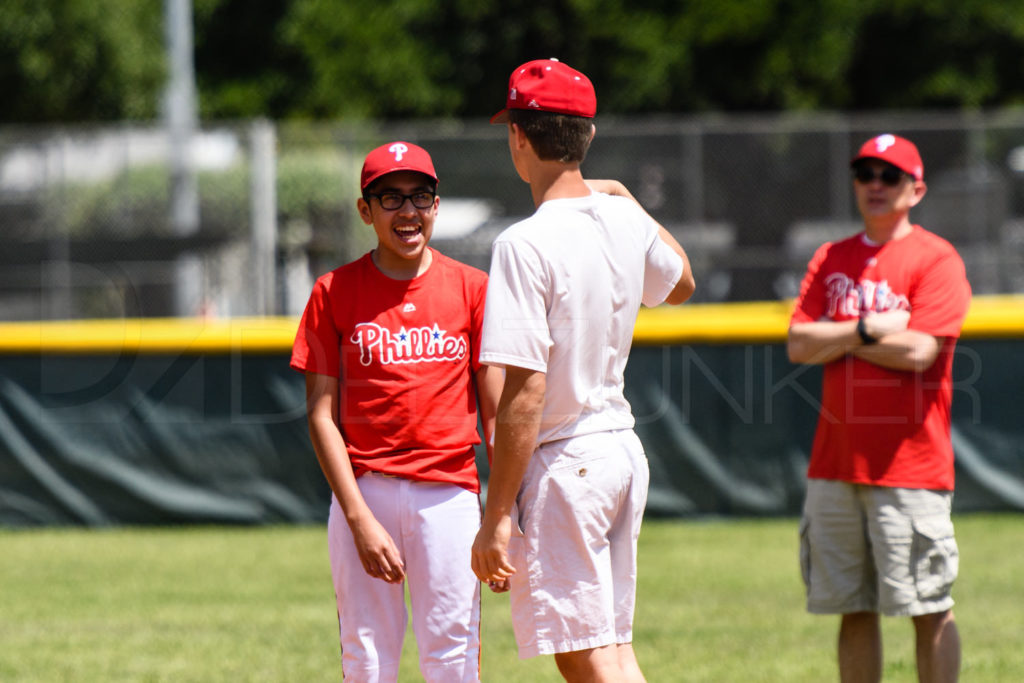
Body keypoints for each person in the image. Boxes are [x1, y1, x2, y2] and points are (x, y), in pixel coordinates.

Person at [470, 58, 696, 682]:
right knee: (611, 647)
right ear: (588, 136)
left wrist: (498, 511)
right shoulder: (620, 216)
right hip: (620, 449)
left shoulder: (523, 242)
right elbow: (681, 284)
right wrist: (625, 198)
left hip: (566, 460)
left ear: (518, 136)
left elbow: (525, 390)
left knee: (584, 655)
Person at [290, 141, 503, 682]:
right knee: (365, 658)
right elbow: (321, 415)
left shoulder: (472, 288)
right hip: (367, 490)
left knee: (452, 655)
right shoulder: (333, 290)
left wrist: (504, 513)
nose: (408, 211)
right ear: (365, 210)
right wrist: (359, 518)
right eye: (390, 198)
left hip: (449, 495)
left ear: (436, 205)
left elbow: (496, 413)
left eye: (420, 196)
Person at [787, 134, 971, 683]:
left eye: (889, 176)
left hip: (909, 466)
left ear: (916, 189)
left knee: (927, 606)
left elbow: (919, 350)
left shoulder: (935, 258)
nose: (874, 184)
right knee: (854, 607)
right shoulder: (831, 257)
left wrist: (835, 336)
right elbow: (798, 346)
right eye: (866, 173)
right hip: (835, 464)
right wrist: (869, 327)